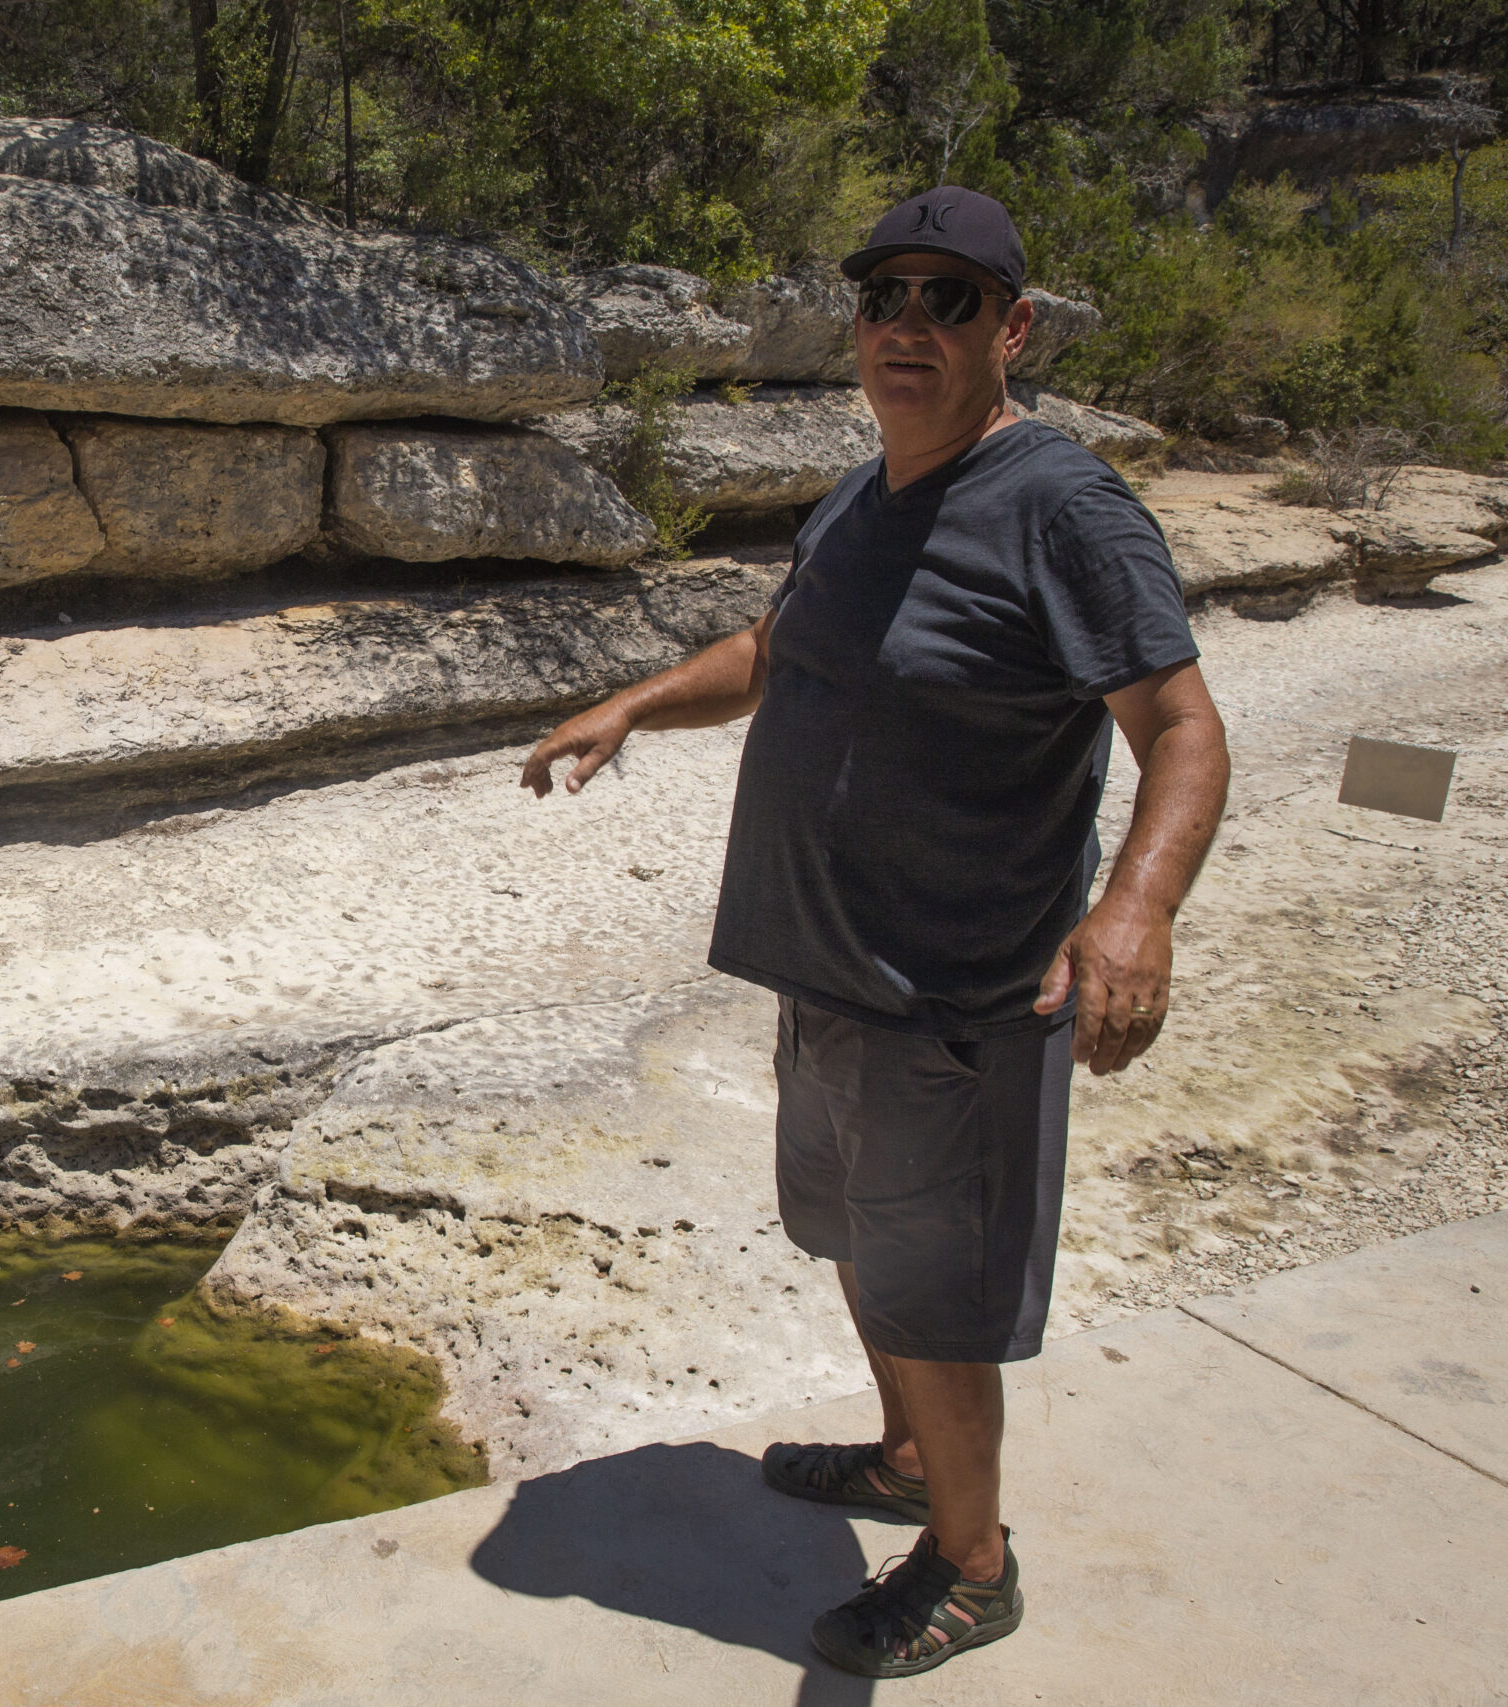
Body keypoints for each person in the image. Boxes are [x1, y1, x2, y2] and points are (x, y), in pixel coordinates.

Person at [520, 187, 1230, 1679]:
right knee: (860, 1246)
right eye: (884, 297)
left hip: (959, 995)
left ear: (1012, 328)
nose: (909, 324)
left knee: (937, 1291)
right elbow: (782, 651)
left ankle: (973, 1561)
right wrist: (640, 702)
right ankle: (912, 1458)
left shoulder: (1064, 507)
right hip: (826, 968)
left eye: (950, 300)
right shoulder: (861, 492)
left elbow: (1180, 724)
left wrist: (1138, 908)